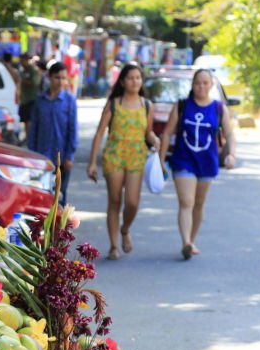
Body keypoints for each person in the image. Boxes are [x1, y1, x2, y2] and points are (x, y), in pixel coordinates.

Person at [159, 68, 236, 259]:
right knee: (187, 202)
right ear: (192, 85)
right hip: (183, 159)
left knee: (198, 204)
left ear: (211, 85)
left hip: (207, 161)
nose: (201, 86)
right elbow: (167, 133)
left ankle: (191, 240)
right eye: (197, 83)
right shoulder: (183, 106)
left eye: (205, 83)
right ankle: (185, 241)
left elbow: (230, 133)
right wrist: (161, 159)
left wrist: (232, 154)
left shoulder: (219, 108)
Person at [87, 61, 159, 260]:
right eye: (130, 78)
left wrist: (155, 140)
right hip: (114, 155)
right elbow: (100, 133)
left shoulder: (146, 105)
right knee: (115, 200)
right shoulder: (114, 104)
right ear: (123, 81)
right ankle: (113, 246)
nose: (134, 81)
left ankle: (125, 229)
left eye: (137, 77)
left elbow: (148, 132)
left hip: (137, 156)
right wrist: (92, 162)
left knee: (132, 202)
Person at [27, 62, 78, 200]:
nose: (60, 81)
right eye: (57, 77)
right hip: (42, 157)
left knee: (60, 195)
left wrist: (69, 156)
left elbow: (73, 130)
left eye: (63, 78)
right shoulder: (40, 101)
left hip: (61, 158)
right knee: (41, 194)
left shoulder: (69, 101)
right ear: (49, 77)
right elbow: (34, 129)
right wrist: (31, 154)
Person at [18, 54, 42, 137]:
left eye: (22, 60)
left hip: (31, 99)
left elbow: (35, 83)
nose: (21, 62)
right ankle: (27, 137)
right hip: (24, 99)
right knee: (25, 120)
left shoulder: (33, 70)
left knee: (29, 120)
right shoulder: (23, 71)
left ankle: (30, 137)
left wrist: (23, 81)